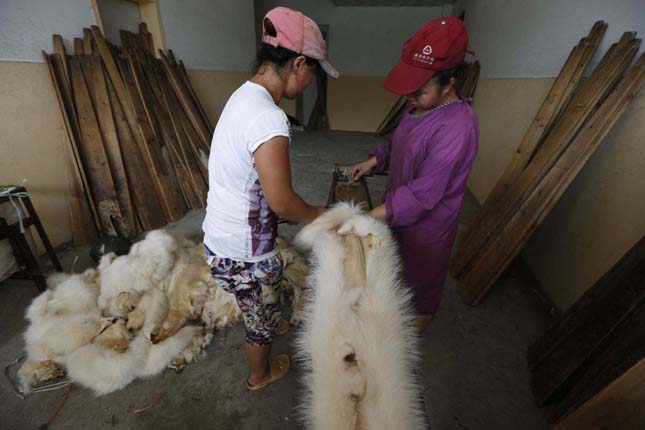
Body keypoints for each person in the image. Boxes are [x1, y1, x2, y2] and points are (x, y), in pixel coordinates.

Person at [202, 7, 336, 390]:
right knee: (259, 326)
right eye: (313, 71)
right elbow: (281, 202)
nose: (311, 81)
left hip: (220, 239)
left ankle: (265, 308)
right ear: (298, 64)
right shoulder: (268, 118)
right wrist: (317, 214)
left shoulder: (242, 96)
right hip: (242, 252)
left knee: (264, 291)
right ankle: (259, 375)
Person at [351, 17, 479, 334]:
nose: (409, 97)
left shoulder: (458, 127)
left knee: (420, 285)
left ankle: (408, 338)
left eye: (418, 91)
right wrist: (374, 162)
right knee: (392, 272)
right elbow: (400, 146)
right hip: (398, 211)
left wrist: (371, 216)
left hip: (427, 226)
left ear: (449, 83)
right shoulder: (416, 108)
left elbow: (424, 193)